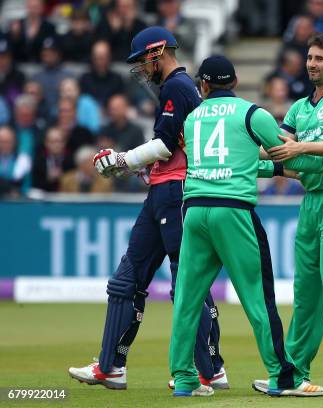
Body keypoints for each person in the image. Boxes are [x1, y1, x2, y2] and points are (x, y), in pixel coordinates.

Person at [169, 55, 323, 397]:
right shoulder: (252, 113)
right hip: (234, 212)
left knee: (187, 298)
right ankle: (282, 378)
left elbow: (239, 163)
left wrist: (283, 172)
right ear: (236, 82)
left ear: (204, 85)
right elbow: (288, 153)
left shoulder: (192, 118)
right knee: (259, 298)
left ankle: (184, 379)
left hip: (195, 211)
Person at [68, 26, 227, 391]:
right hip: (162, 189)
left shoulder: (176, 86)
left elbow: (167, 144)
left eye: (142, 60)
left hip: (176, 191)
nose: (140, 68)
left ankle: (209, 369)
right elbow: (167, 146)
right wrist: (142, 165)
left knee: (184, 283)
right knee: (126, 280)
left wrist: (123, 159)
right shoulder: (176, 88)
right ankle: (111, 366)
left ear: (157, 54)